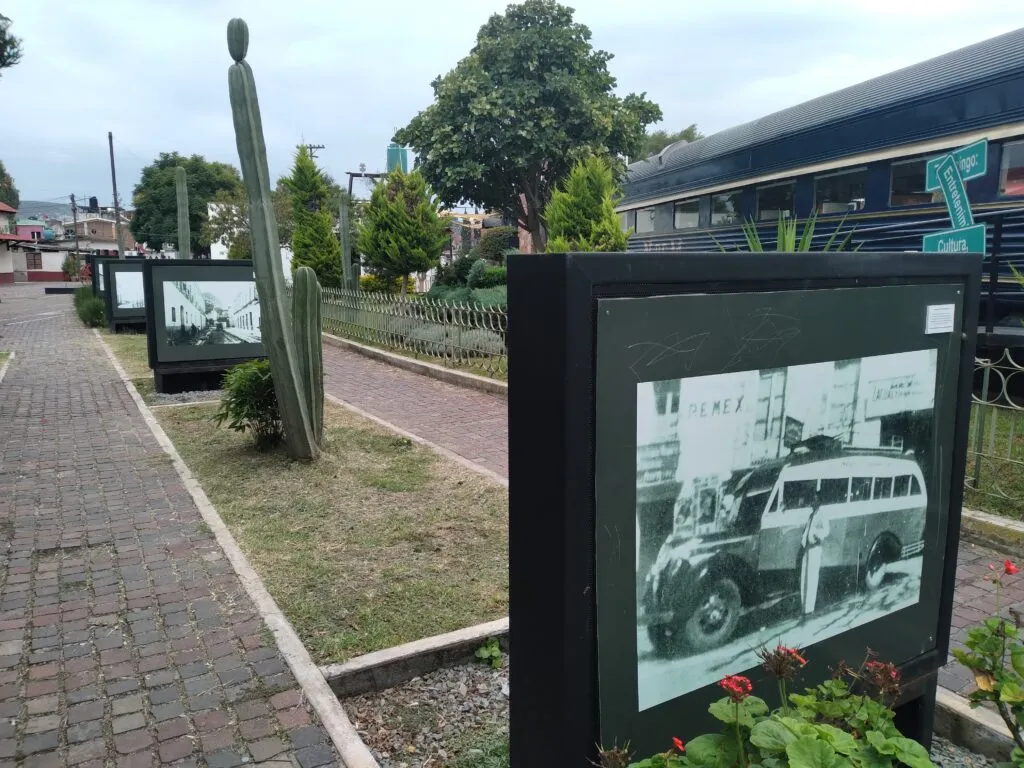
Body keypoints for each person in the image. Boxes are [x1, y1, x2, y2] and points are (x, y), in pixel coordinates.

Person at [800, 491, 830, 620]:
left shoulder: (822, 514)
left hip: (815, 549)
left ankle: (809, 609)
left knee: (812, 579)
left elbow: (826, 530)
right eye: (812, 500)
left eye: (814, 500)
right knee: (804, 578)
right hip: (807, 548)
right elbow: (807, 530)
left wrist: (817, 535)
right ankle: (804, 607)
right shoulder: (811, 515)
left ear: (819, 501)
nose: (812, 502)